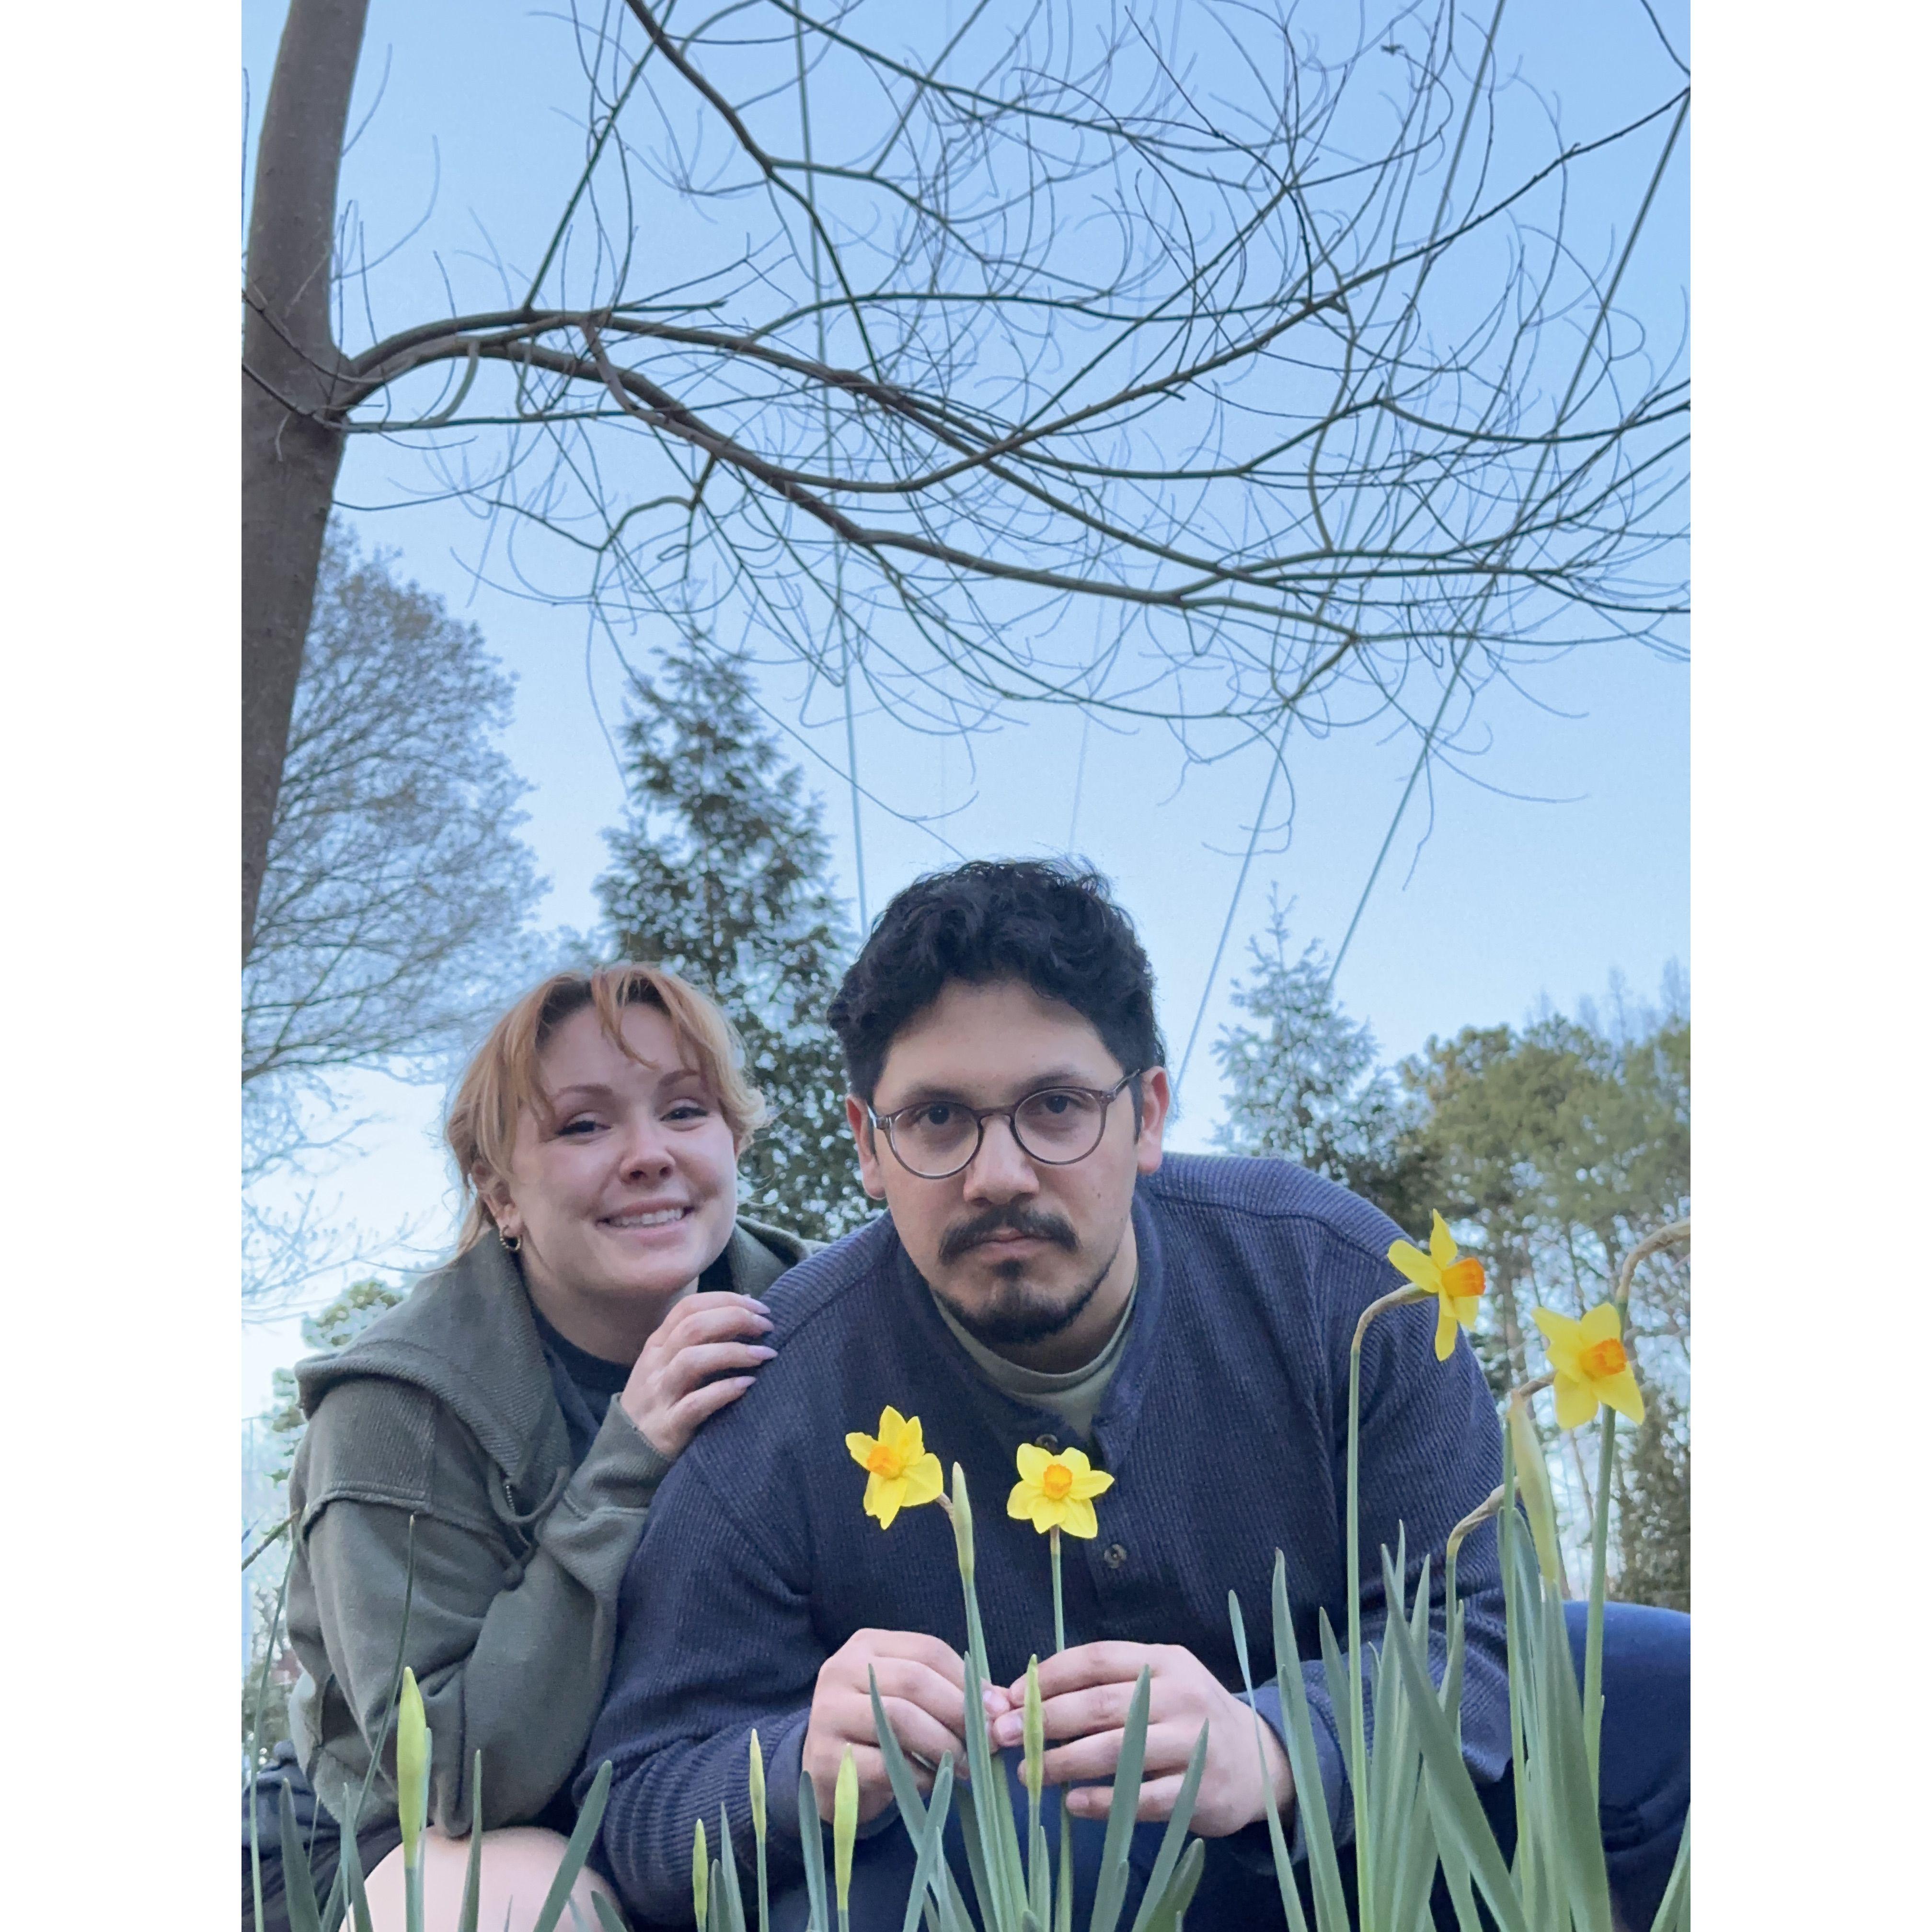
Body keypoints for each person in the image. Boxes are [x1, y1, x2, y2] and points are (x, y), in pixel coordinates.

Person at [579, 861, 1690, 1931]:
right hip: (1013, 1870)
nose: (999, 1173)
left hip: (1357, 1841)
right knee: (864, 1889)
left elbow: (1494, 1629)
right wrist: (794, 1770)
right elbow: (632, 1800)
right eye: (937, 1120)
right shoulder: (778, 1396)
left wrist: (1279, 1743)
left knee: (1682, 1693)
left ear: (1147, 1115)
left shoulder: (1340, 1285)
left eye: (1056, 1106)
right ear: (870, 1145)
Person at [247, 965, 814, 1932]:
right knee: (518, 1906)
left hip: (709, 1799)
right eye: (584, 1126)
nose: (648, 1155)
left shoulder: (821, 1326)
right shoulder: (397, 1410)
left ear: (733, 1140)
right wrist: (627, 1462)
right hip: (437, 1841)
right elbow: (450, 1777)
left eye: (685, 1111)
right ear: (500, 1192)